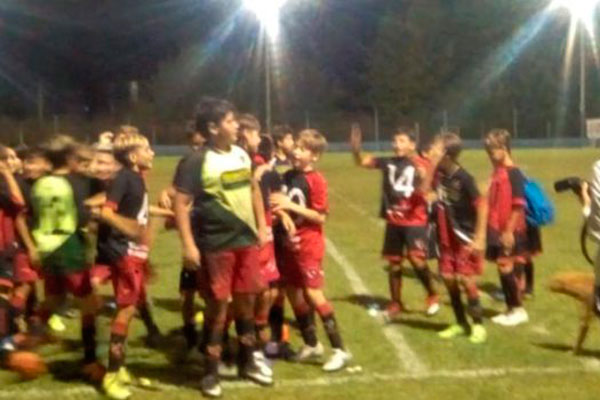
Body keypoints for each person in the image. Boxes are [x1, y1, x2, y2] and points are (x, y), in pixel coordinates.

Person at [173, 97, 271, 398]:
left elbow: (253, 189)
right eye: (230, 121)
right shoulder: (195, 161)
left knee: (246, 302)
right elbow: (181, 204)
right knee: (218, 306)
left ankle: (247, 361)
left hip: (246, 242)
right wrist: (188, 245)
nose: (237, 125)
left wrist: (262, 225)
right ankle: (211, 372)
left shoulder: (241, 154)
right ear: (213, 128)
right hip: (215, 245)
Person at [271, 129, 352, 372]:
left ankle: (340, 349)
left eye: (303, 149)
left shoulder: (316, 180)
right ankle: (311, 343)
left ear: (314, 156)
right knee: (292, 292)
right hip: (289, 243)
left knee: (313, 293)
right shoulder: (287, 176)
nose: (296, 151)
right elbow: (277, 202)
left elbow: (320, 216)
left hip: (308, 245)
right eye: (296, 146)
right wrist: (281, 211)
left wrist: (290, 206)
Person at [29, 135, 103, 381]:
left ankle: (25, 344)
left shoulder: (40, 183)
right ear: (70, 158)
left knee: (53, 299)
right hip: (68, 245)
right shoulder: (74, 184)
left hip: (46, 246)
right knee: (89, 304)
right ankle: (90, 360)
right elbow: (82, 218)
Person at [350, 124, 439, 321]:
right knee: (394, 263)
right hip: (394, 220)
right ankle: (395, 302)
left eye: (401, 141)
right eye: (395, 141)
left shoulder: (421, 164)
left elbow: (431, 189)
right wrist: (356, 150)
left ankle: (432, 295)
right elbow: (362, 162)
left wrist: (426, 183)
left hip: (415, 220)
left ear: (412, 144)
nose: (396, 145)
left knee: (416, 259)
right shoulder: (388, 162)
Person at [94, 131, 157, 399]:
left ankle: (119, 369)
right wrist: (130, 230)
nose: (152, 153)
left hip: (131, 251)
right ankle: (111, 375)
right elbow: (106, 212)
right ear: (133, 156)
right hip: (123, 251)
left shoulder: (136, 177)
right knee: (126, 310)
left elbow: (136, 212)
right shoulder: (124, 178)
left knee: (129, 310)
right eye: (147, 149)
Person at [434, 132, 488, 343]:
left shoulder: (464, 178)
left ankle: (478, 325)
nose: (432, 151)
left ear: (447, 155)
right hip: (445, 236)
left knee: (466, 280)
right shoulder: (438, 174)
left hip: (464, 235)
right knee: (448, 279)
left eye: (437, 149)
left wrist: (480, 237)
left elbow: (482, 206)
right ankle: (460, 322)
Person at [484, 129, 529, 326]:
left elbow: (518, 205)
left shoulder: (514, 173)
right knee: (502, 267)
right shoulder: (498, 172)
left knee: (506, 267)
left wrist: (509, 231)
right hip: (497, 228)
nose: (489, 154)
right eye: (487, 150)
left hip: (511, 229)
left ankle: (518, 309)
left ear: (504, 148)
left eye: (492, 150)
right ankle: (510, 309)